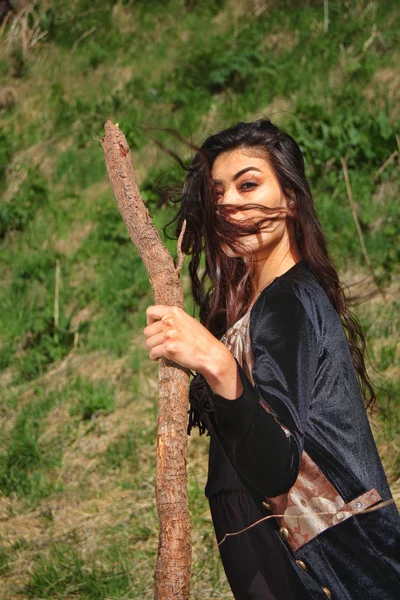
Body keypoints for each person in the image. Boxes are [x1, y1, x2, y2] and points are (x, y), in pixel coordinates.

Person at [143, 119, 400, 599]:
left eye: (249, 185)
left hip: (333, 571)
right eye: (218, 192)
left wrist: (218, 365)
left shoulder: (288, 303)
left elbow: (276, 465)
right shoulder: (258, 305)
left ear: (291, 201)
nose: (228, 203)